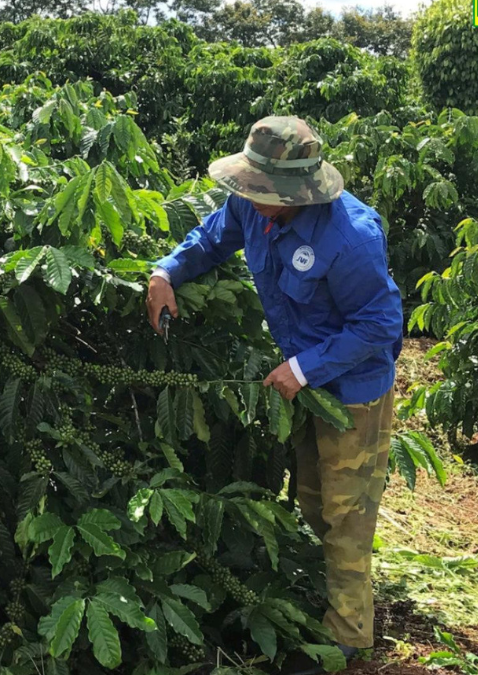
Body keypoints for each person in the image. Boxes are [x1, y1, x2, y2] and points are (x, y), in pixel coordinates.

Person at [146, 116, 403, 672]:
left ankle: (350, 637)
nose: (254, 199)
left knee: (347, 509)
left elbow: (380, 324)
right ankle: (337, 597)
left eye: (267, 192)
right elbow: (212, 239)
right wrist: (166, 271)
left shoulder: (350, 237)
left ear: (301, 191)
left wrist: (304, 368)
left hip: (352, 386)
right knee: (313, 496)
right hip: (305, 382)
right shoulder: (250, 205)